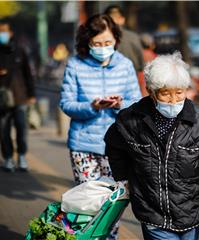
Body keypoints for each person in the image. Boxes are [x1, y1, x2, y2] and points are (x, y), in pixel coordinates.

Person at [105, 52, 199, 240]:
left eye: (179, 93)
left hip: (192, 213)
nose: (174, 101)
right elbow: (114, 145)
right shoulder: (131, 120)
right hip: (153, 214)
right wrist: (125, 179)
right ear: (152, 92)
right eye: (165, 94)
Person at [59, 14, 141, 240]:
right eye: (97, 44)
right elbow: (66, 103)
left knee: (113, 203)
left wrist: (119, 104)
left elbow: (136, 101)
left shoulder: (125, 65)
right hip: (84, 145)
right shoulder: (75, 64)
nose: (103, 48)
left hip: (118, 147)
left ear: (116, 38)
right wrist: (92, 106)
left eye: (107, 42)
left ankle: (109, 238)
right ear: (87, 42)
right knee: (89, 204)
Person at [0, 22, 36, 172]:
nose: (2, 34)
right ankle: (8, 158)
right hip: (0, 98)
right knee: (3, 129)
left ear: (11, 33)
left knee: (21, 127)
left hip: (20, 96)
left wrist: (32, 94)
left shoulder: (20, 51)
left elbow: (28, 74)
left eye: (5, 31)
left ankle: (21, 155)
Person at [104, 5, 144, 73]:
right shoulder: (134, 37)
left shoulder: (101, 39)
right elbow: (141, 64)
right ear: (122, 19)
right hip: (132, 77)